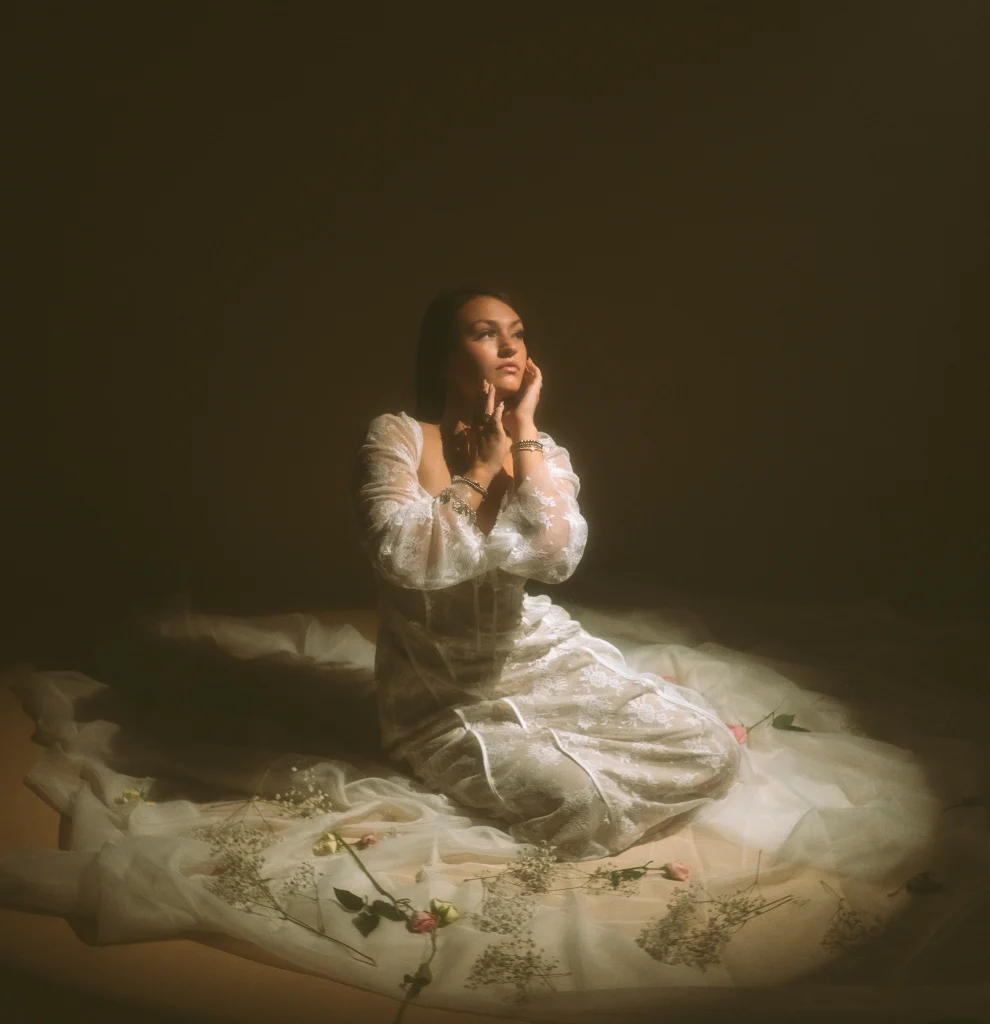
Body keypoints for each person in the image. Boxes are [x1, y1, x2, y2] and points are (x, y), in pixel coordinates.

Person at [351, 287, 741, 860]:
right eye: (485, 333)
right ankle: (519, 760)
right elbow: (402, 557)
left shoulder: (541, 450)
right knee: (582, 803)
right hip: (440, 694)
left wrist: (523, 427)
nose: (509, 346)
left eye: (517, 331)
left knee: (713, 751)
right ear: (442, 356)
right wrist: (482, 468)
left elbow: (555, 556)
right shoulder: (398, 435)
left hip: (536, 658)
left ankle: (557, 748)